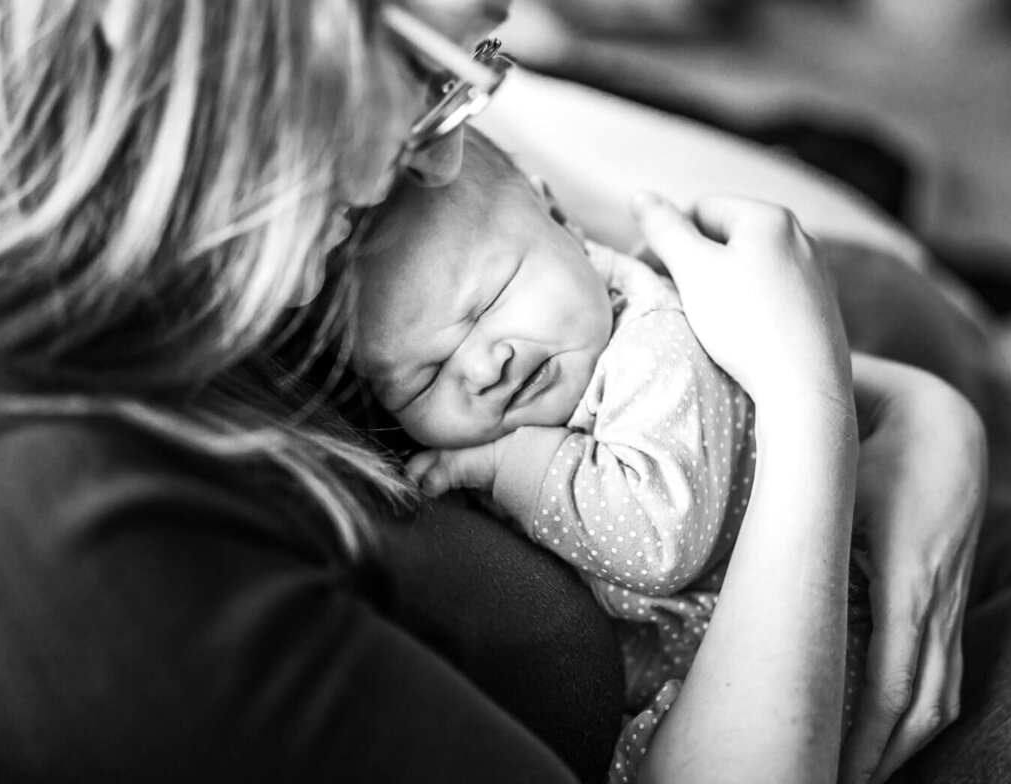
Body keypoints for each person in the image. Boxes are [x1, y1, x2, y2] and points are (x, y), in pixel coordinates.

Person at [0, 0, 1011, 783]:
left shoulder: (227, 238)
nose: (447, 139)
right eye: (429, 64)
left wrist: (918, 413)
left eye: (485, 57)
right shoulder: (45, 552)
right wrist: (817, 417)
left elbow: (662, 321)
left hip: (903, 529)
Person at [349, 129, 879, 779]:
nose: (485, 364)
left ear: (560, 219)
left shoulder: (655, 344)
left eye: (491, 300)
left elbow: (658, 538)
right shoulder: (558, 347)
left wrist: (507, 465)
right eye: (425, 378)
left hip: (818, 672)